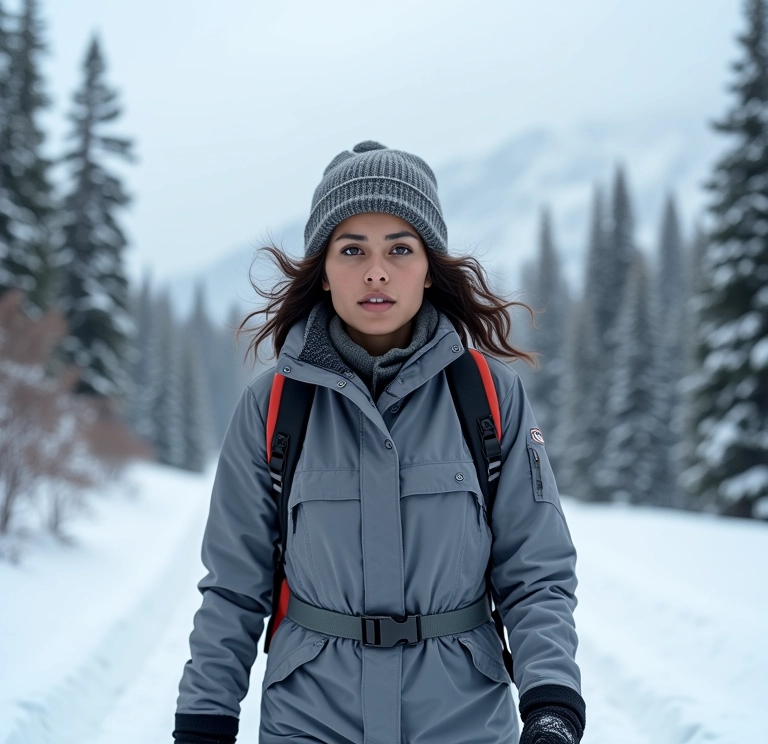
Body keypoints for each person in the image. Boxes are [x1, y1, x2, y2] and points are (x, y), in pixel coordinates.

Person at [173, 140, 586, 744]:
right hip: (310, 721)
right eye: (351, 249)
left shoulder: (490, 397)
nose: (376, 271)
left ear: (428, 266)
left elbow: (536, 571)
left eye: (400, 248)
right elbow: (234, 588)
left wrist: (552, 702)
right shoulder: (273, 406)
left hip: (462, 721)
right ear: (322, 271)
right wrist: (204, 721)